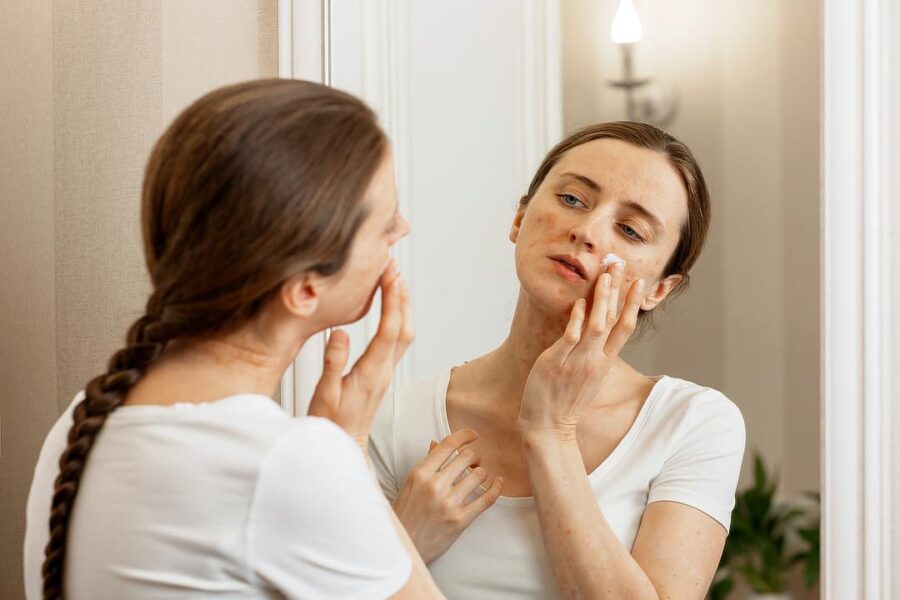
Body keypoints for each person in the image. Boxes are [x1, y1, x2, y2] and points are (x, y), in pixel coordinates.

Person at [24, 79, 447, 599]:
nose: (402, 228)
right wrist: (350, 448)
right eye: (385, 222)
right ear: (304, 286)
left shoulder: (78, 424)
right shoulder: (289, 462)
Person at [369, 122, 746, 599]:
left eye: (629, 230)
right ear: (519, 218)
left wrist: (551, 432)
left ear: (659, 289)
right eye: (571, 199)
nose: (586, 231)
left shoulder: (692, 424)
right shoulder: (398, 417)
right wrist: (404, 546)